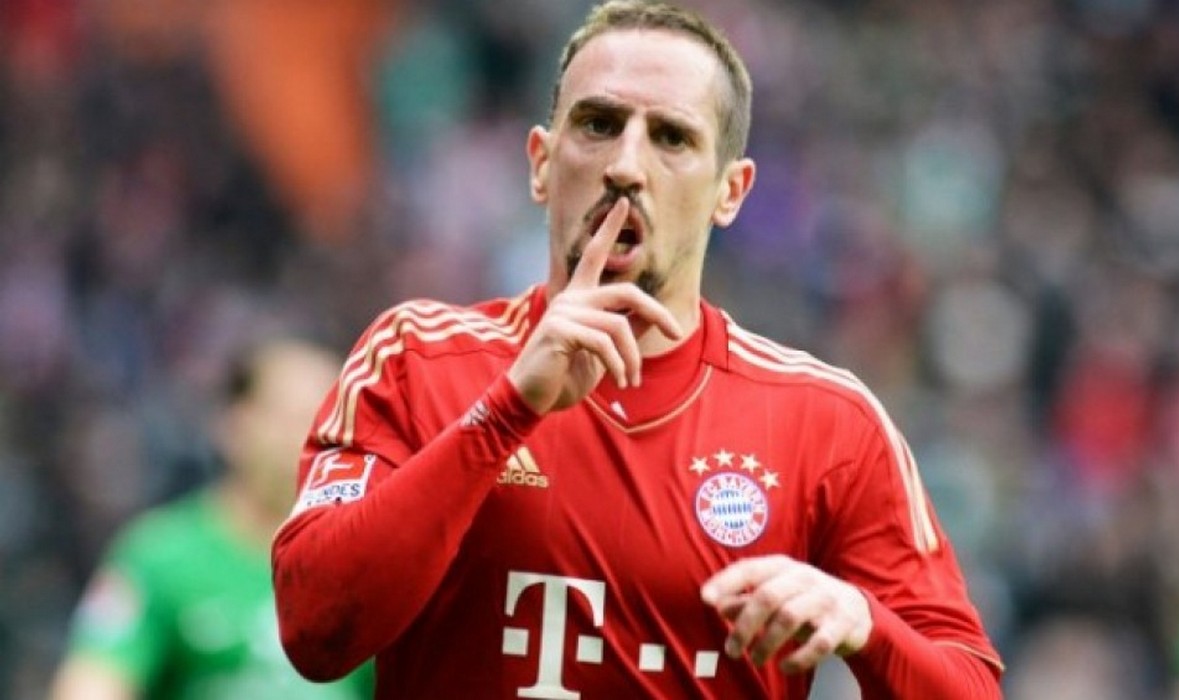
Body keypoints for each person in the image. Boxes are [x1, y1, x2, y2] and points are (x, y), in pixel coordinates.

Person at [271, 1, 1004, 697]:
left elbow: (968, 686)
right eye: (598, 124)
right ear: (541, 163)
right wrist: (506, 412)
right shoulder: (418, 358)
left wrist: (866, 624)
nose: (626, 165)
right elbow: (314, 631)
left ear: (731, 191)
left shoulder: (828, 424)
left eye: (671, 138)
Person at [50, 339, 374, 700]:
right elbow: (91, 683)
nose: (308, 438)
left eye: (328, 421)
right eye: (290, 418)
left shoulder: (364, 569)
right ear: (234, 425)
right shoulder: (162, 557)